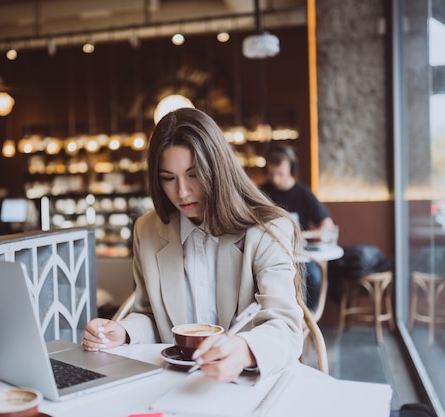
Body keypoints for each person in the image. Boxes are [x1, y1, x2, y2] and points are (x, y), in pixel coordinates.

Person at [83, 108, 305, 382]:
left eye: (194, 174)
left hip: (248, 381)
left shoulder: (267, 230)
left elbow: (286, 326)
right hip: (175, 382)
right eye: (168, 178)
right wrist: (124, 331)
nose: (182, 192)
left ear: (217, 169)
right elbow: (151, 315)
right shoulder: (147, 230)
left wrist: (246, 349)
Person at [260, 143, 335, 312]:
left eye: (280, 174)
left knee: (315, 278)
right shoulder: (261, 192)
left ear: (292, 170)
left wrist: (304, 235)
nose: (275, 179)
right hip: (269, 255)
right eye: (271, 174)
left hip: (300, 256)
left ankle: (307, 322)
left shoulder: (304, 193)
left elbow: (327, 227)